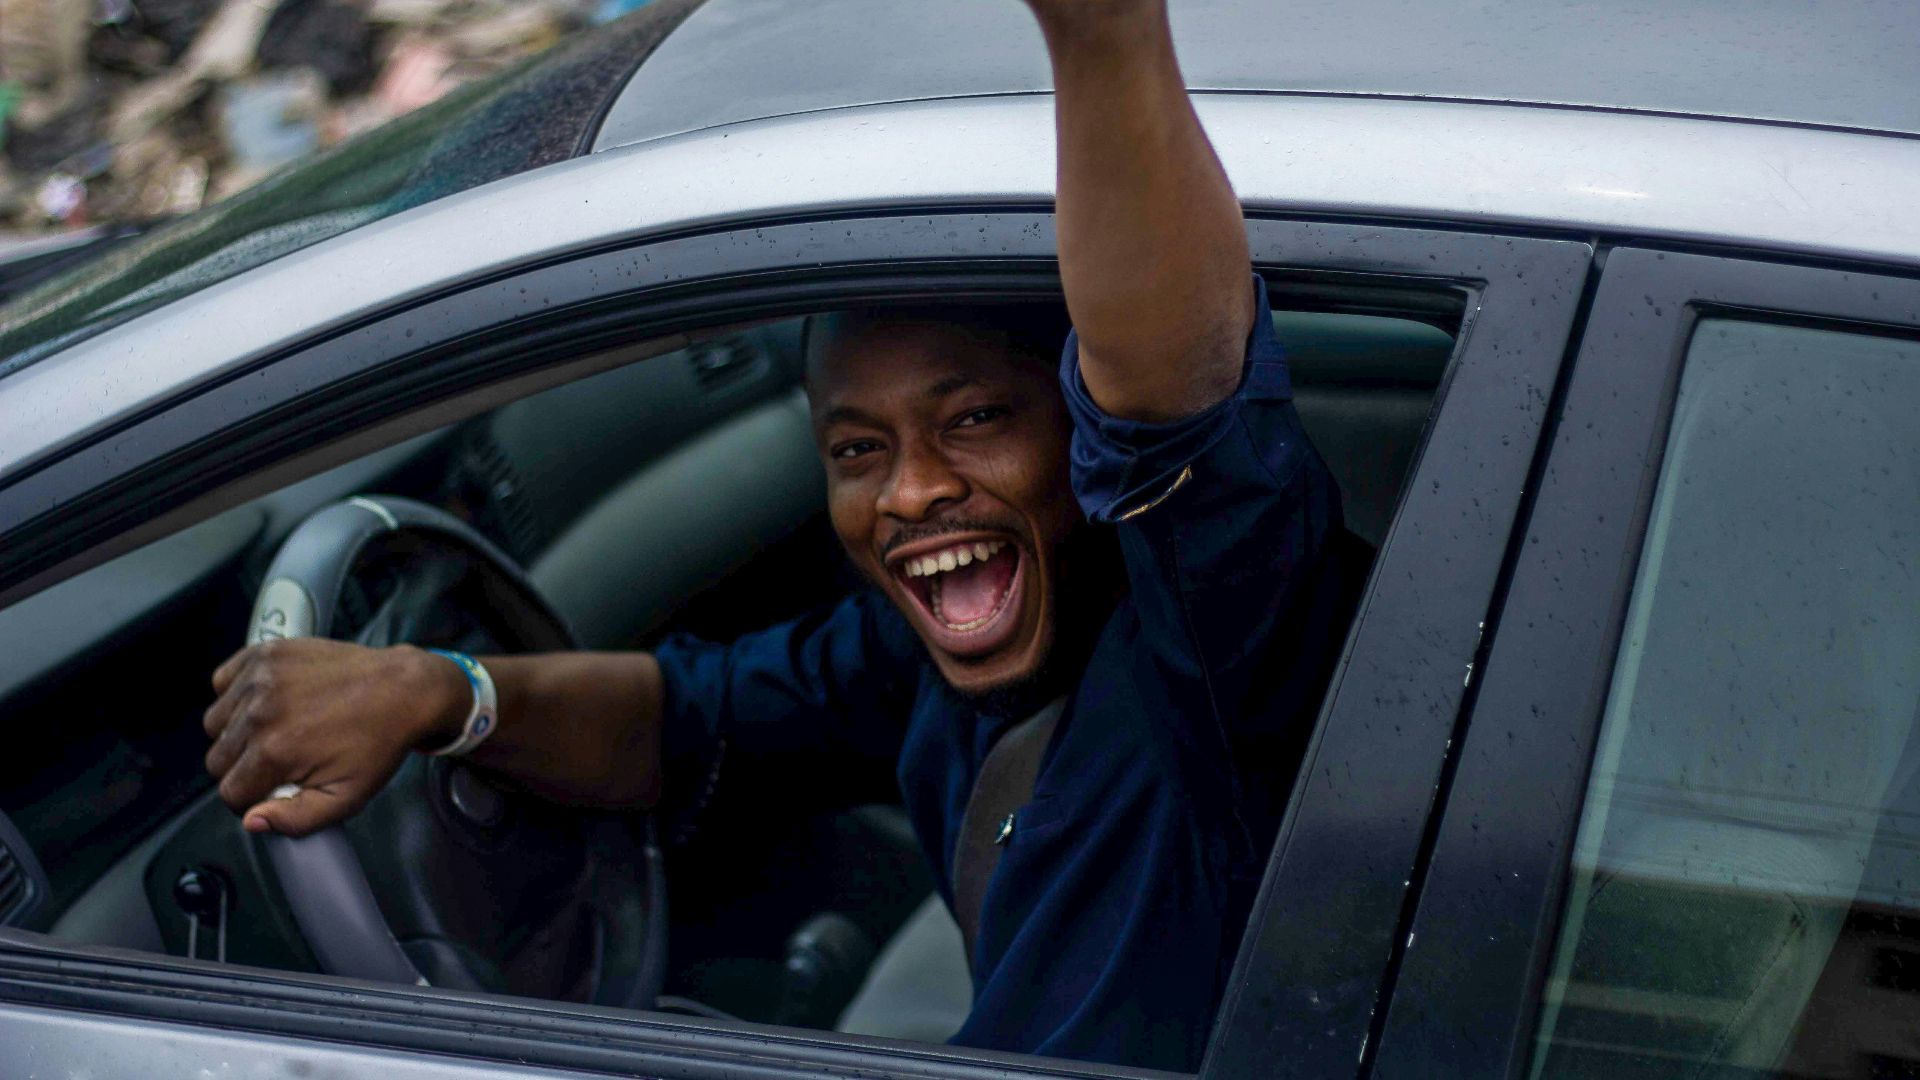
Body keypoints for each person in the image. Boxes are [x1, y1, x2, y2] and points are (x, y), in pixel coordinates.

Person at [200, 0, 1356, 1069]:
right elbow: (694, 718)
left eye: (974, 421)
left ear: (1078, 425)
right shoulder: (932, 659)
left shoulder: (1214, 644)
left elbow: (1177, 402)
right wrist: (437, 694)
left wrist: (1104, 38)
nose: (908, 495)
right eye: (858, 450)